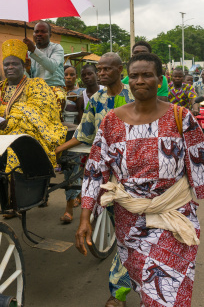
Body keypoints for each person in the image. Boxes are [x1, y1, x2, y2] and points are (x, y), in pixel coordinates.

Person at [76, 52, 204, 307]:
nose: (140, 80)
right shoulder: (111, 122)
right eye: (134, 76)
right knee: (148, 289)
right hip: (129, 224)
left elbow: (200, 168)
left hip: (173, 217)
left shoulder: (182, 118)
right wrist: (84, 217)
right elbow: (95, 169)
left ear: (160, 80)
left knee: (168, 295)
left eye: (147, 75)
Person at [55, 52, 135, 307]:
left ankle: (124, 292)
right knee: (125, 235)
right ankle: (120, 293)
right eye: (99, 69)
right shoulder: (97, 100)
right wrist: (58, 149)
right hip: (108, 178)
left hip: (138, 176)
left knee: (136, 235)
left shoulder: (135, 97)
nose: (101, 74)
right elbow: (84, 134)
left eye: (106, 69)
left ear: (120, 70)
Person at [0, 39, 67, 171]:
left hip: (20, 127)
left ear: (23, 66)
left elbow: (37, 109)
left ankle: (10, 186)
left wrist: (10, 121)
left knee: (16, 147)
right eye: (6, 64)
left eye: (14, 64)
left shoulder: (36, 85)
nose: (10, 67)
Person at [60, 66, 85, 223]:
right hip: (60, 136)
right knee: (67, 170)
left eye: (71, 75)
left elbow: (82, 117)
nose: (68, 77)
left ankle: (69, 210)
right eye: (66, 75)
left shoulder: (80, 93)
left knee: (72, 171)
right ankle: (78, 196)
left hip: (74, 136)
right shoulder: (57, 92)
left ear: (76, 77)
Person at [23, 21, 65, 112]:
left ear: (50, 34)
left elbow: (52, 66)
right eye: (36, 31)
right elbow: (27, 78)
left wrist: (34, 50)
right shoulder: (28, 51)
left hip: (54, 88)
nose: (39, 34)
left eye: (43, 32)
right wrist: (28, 70)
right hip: (35, 90)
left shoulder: (57, 48)